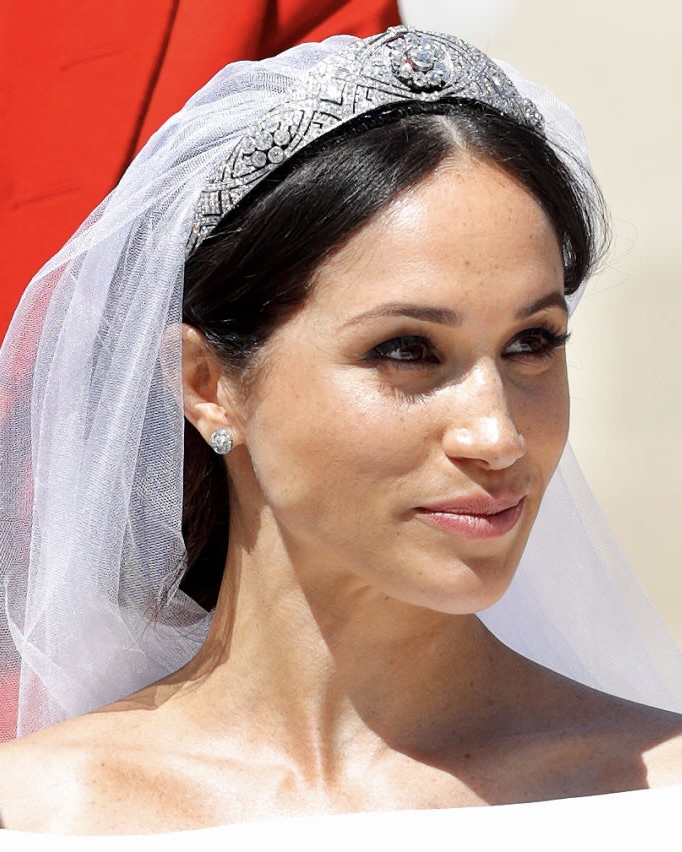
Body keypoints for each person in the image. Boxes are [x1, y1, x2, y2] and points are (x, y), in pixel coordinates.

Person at [0, 25, 681, 838]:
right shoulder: (42, 815)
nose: (497, 436)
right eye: (408, 351)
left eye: (531, 343)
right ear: (207, 384)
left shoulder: (652, 796)